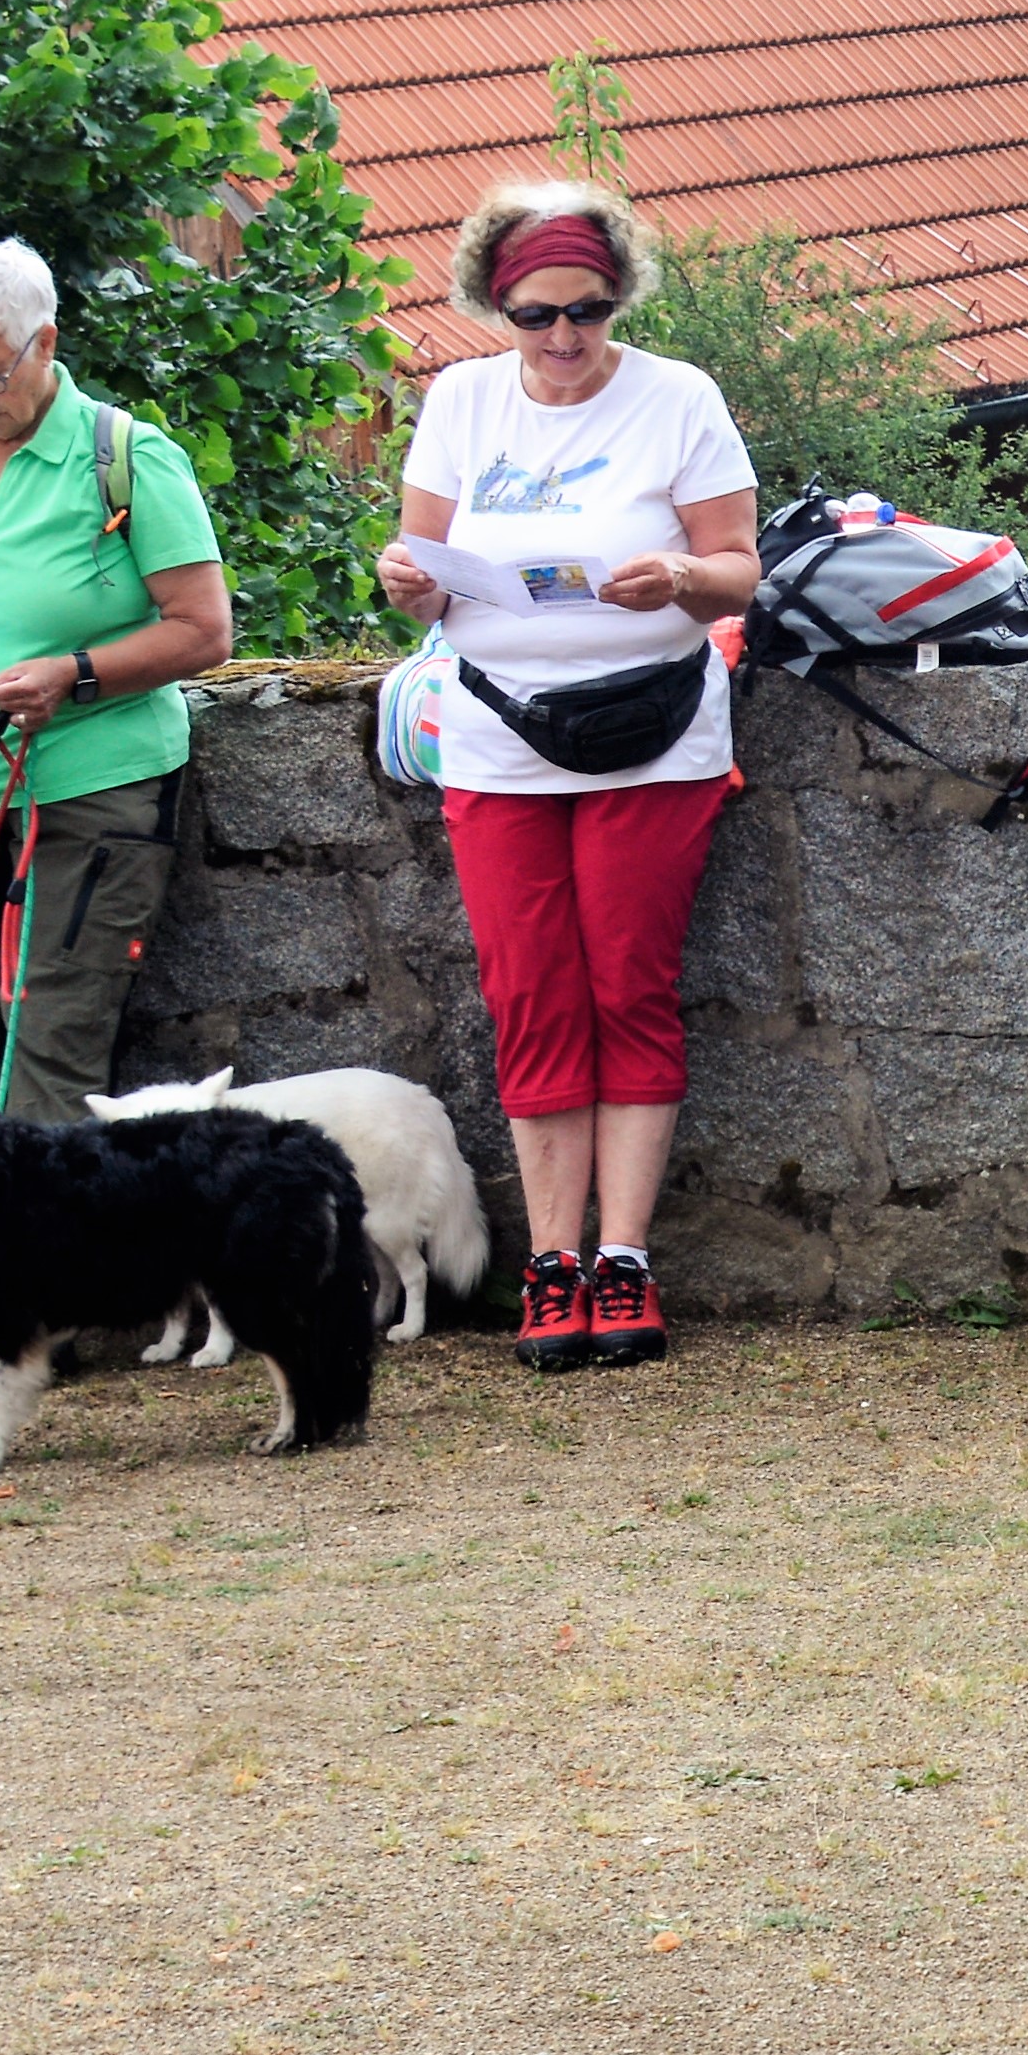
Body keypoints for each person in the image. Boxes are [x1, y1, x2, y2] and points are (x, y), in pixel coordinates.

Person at [373, 183, 759, 1376]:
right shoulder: (461, 400)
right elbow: (422, 566)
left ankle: (624, 1256)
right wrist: (407, 582)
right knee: (531, 992)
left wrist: (679, 579)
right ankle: (553, 1261)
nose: (562, 336)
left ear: (618, 298)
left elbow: (740, 568)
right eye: (536, 314)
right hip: (499, 737)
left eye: (586, 309)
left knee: (629, 984)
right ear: (496, 305)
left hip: (651, 730)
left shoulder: (678, 396)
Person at [0, 238, 234, 1121]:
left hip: (91, 783)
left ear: (46, 342)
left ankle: (41, 1216)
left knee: (53, 1045)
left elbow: (204, 630)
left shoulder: (129, 457)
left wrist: (73, 674)